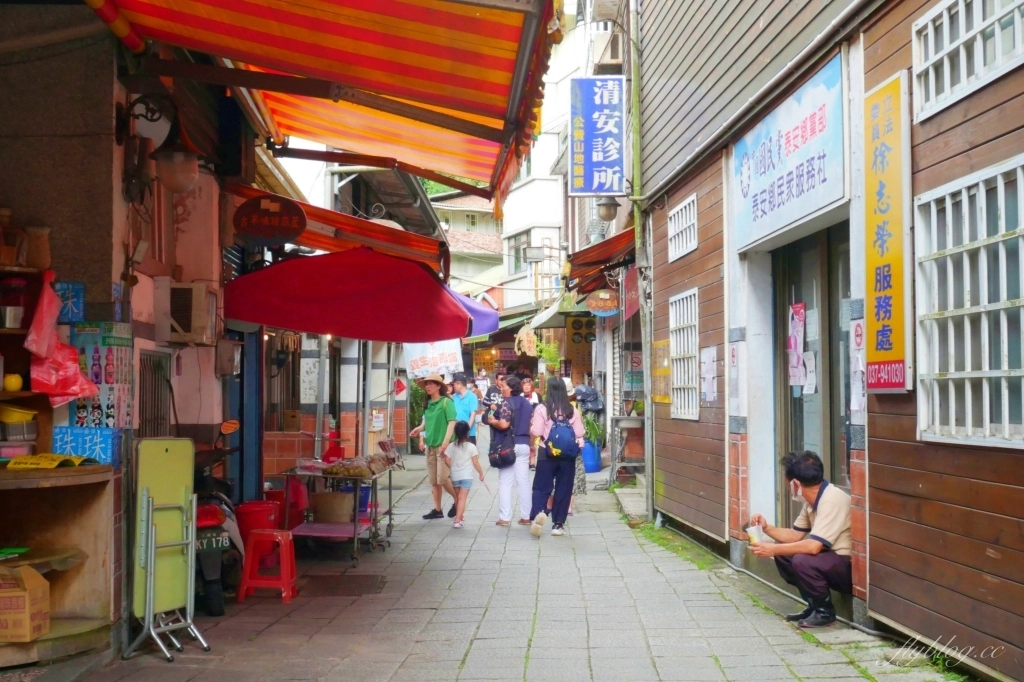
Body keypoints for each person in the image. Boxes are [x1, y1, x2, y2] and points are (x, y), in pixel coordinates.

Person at [749, 451, 853, 628]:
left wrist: (772, 550)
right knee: (786, 553)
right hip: (829, 559)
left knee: (801, 560)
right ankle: (814, 605)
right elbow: (794, 536)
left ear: (795, 483)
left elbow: (813, 547)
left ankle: (825, 612)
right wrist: (767, 528)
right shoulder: (812, 501)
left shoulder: (831, 500)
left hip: (847, 565)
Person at [529, 377, 584, 537]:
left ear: (548, 390)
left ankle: (538, 515)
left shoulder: (542, 409)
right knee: (564, 488)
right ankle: (558, 524)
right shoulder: (571, 410)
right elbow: (580, 433)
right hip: (567, 455)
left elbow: (537, 432)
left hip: (547, 452)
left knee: (541, 487)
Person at [486, 375, 532, 527]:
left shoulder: (507, 402)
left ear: (511, 388)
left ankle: (505, 518)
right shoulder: (526, 403)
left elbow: (504, 424)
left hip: (508, 445)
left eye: (504, 387)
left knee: (505, 481)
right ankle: (526, 516)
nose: (501, 390)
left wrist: (493, 421)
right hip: (524, 444)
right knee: (523, 481)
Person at [419, 374, 459, 520]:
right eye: (426, 384)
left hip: (444, 446)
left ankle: (458, 500)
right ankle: (437, 509)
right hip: (431, 445)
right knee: (434, 481)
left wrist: (446, 442)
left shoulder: (446, 402)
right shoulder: (428, 403)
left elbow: (452, 422)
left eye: (430, 384)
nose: (427, 387)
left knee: (442, 478)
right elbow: (426, 422)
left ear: (438, 386)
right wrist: (419, 429)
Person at [443, 421, 485, 529]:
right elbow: (475, 462)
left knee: (458, 497)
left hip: (455, 475)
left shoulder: (451, 446)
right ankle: (457, 520)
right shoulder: (471, 447)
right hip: (466, 476)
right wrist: (481, 473)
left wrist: (452, 467)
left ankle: (460, 516)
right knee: (462, 498)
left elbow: (446, 459)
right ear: (467, 433)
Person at [451, 374, 479, 444]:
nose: (453, 386)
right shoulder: (453, 397)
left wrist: (465, 430)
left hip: (468, 433)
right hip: (455, 433)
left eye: (454, 384)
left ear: (459, 384)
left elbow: (472, 415)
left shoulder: (472, 396)